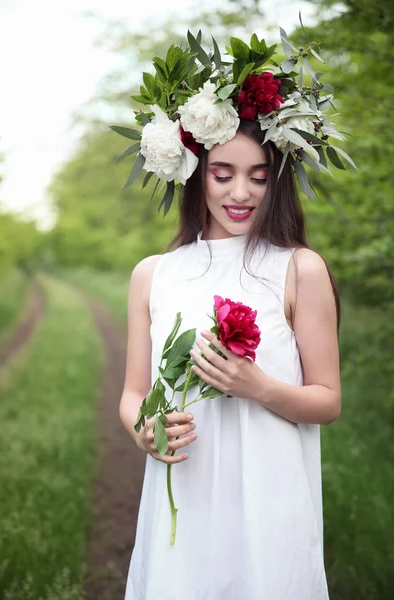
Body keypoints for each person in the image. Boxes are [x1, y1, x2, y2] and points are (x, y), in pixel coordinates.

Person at [116, 29, 348, 600]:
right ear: (196, 173)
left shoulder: (299, 269)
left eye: (259, 176)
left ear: (279, 181)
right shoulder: (155, 274)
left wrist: (258, 386)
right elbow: (131, 392)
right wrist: (144, 429)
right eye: (223, 174)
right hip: (183, 499)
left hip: (271, 503)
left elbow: (328, 400)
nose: (240, 192)